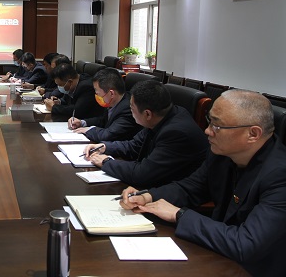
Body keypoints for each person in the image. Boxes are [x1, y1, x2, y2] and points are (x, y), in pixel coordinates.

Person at [119, 90, 286, 276]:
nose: (207, 130)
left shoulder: (280, 175)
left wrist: (179, 214)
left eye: (217, 126)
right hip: (220, 254)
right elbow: (190, 188)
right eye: (209, 121)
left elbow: (246, 243)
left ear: (253, 134)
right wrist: (148, 196)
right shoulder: (221, 154)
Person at [83, 80, 208, 188]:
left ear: (147, 114)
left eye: (132, 108)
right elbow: (134, 146)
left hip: (172, 193)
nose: (130, 112)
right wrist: (104, 147)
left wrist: (106, 162)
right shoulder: (161, 117)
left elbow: (142, 174)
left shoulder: (176, 133)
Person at [69, 68, 141, 142]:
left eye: (98, 93)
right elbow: (103, 121)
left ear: (111, 93)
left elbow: (109, 135)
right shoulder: (113, 102)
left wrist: (89, 130)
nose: (97, 96)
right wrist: (82, 122)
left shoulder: (128, 109)